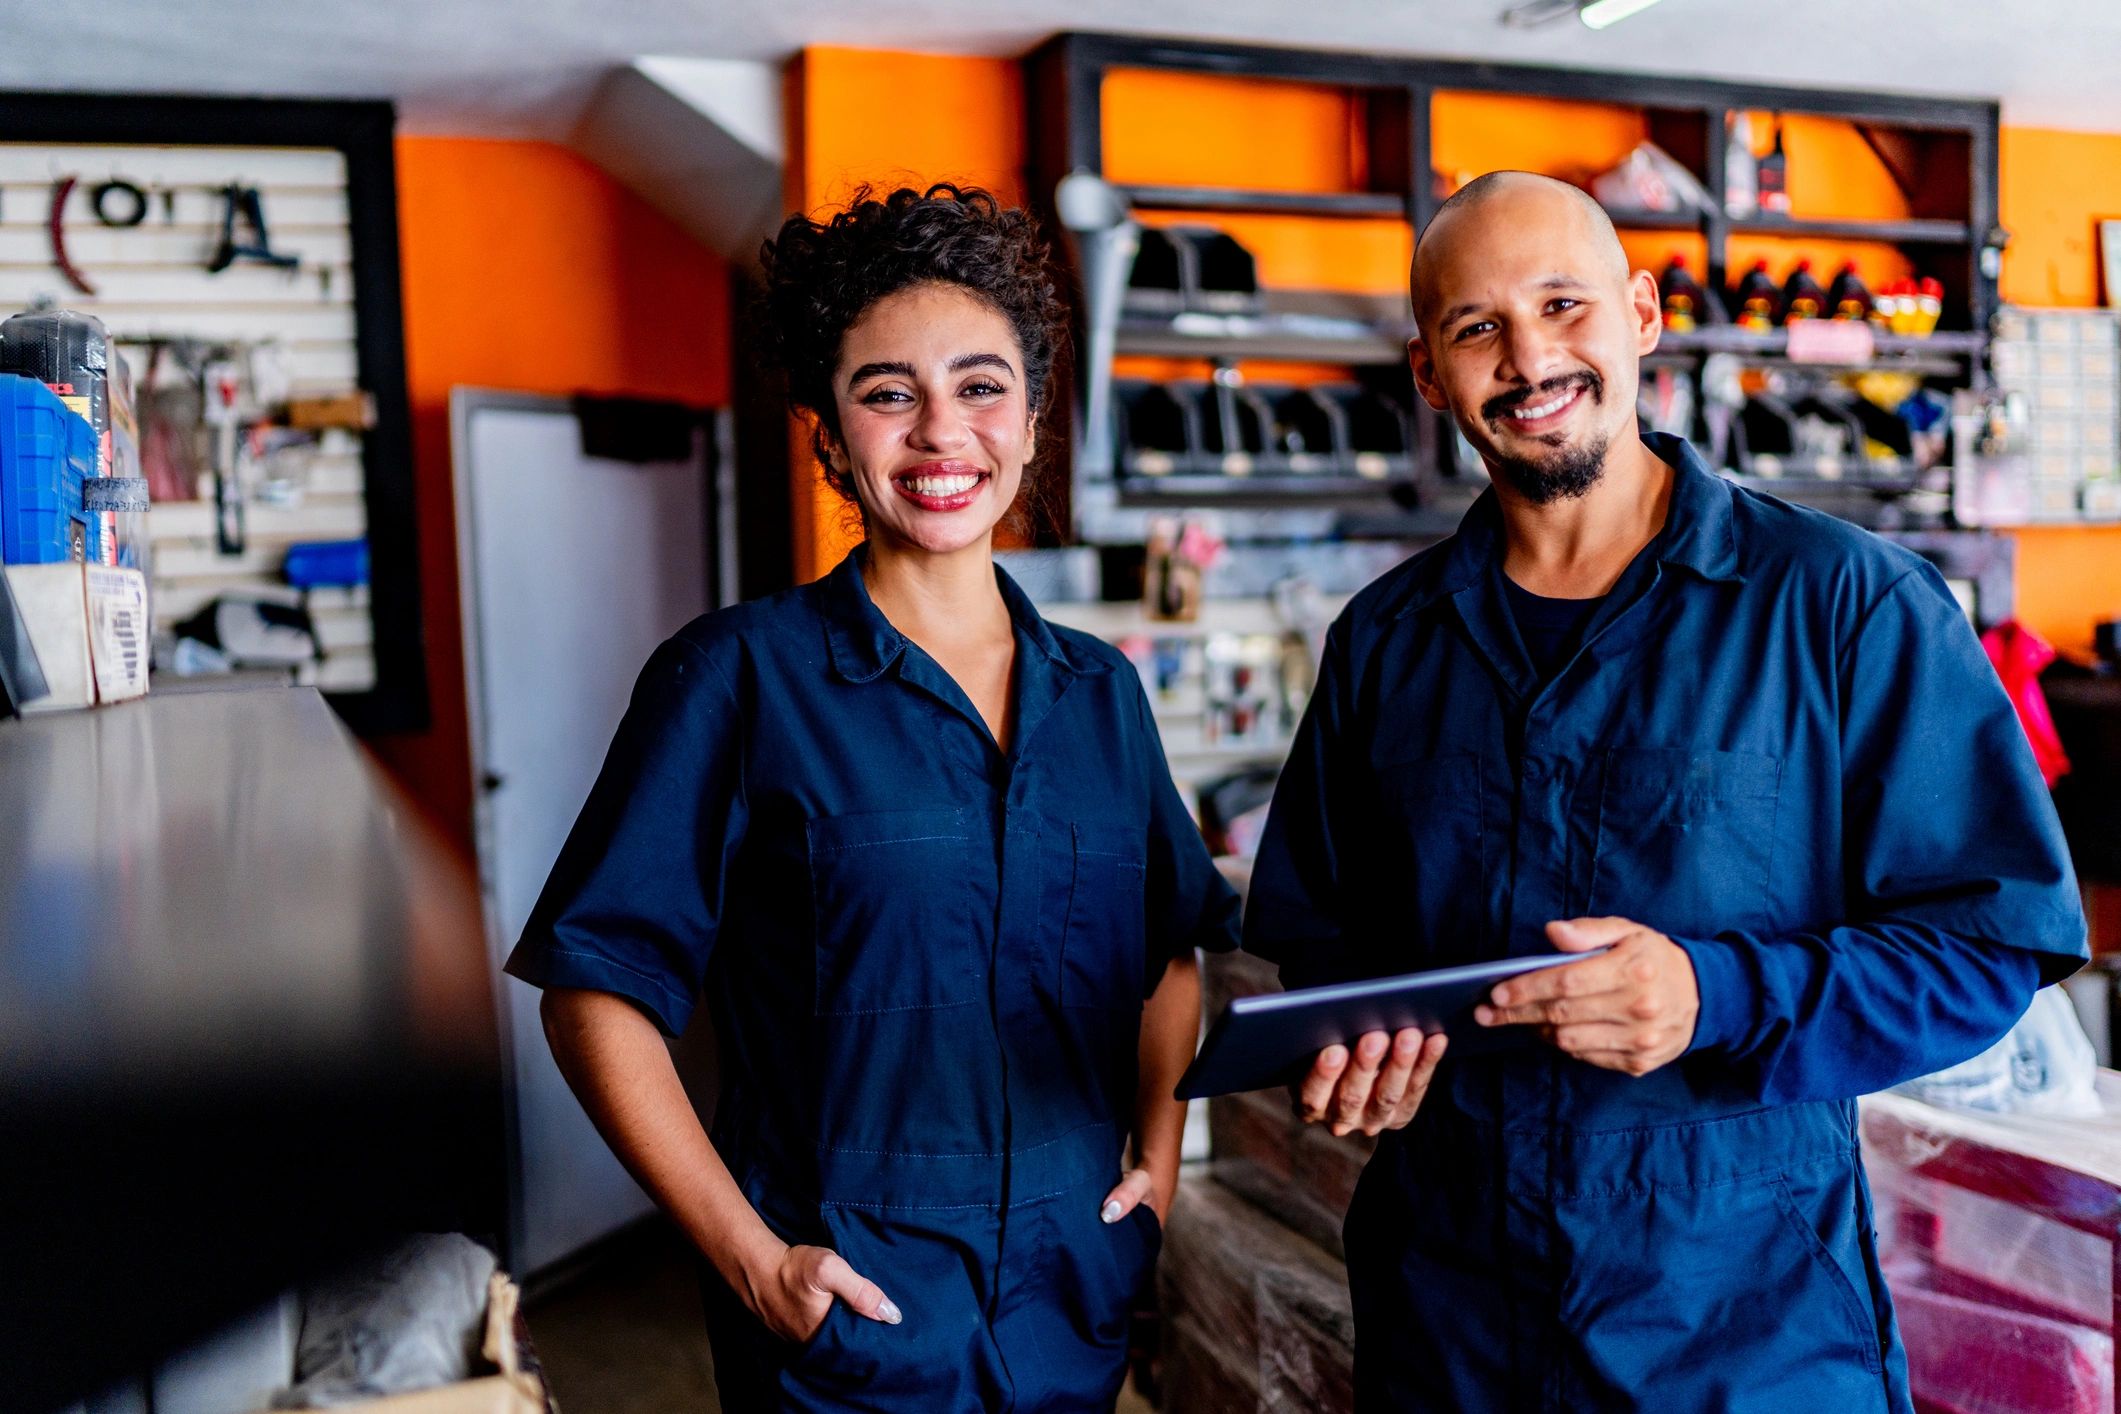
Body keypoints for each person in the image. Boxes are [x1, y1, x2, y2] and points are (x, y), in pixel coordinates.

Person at [1242, 171, 2086, 1412]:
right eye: (1478, 328)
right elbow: (1319, 939)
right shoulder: (1385, 643)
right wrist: (1358, 1041)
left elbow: (1989, 944)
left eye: (1563, 305)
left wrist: (1717, 991)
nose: (1531, 358)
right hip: (1452, 1326)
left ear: (1640, 316)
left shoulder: (1846, 606)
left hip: (1745, 1334)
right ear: (1429, 375)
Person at [505, 183, 1240, 1412]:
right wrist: (749, 1259)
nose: (942, 432)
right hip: (847, 1308)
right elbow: (596, 1000)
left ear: (1032, 415)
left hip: (1072, 1297)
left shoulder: (1102, 694)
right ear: (833, 436)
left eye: (981, 385)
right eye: (889, 392)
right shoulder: (736, 678)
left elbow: (1170, 952)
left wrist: (1155, 1162)